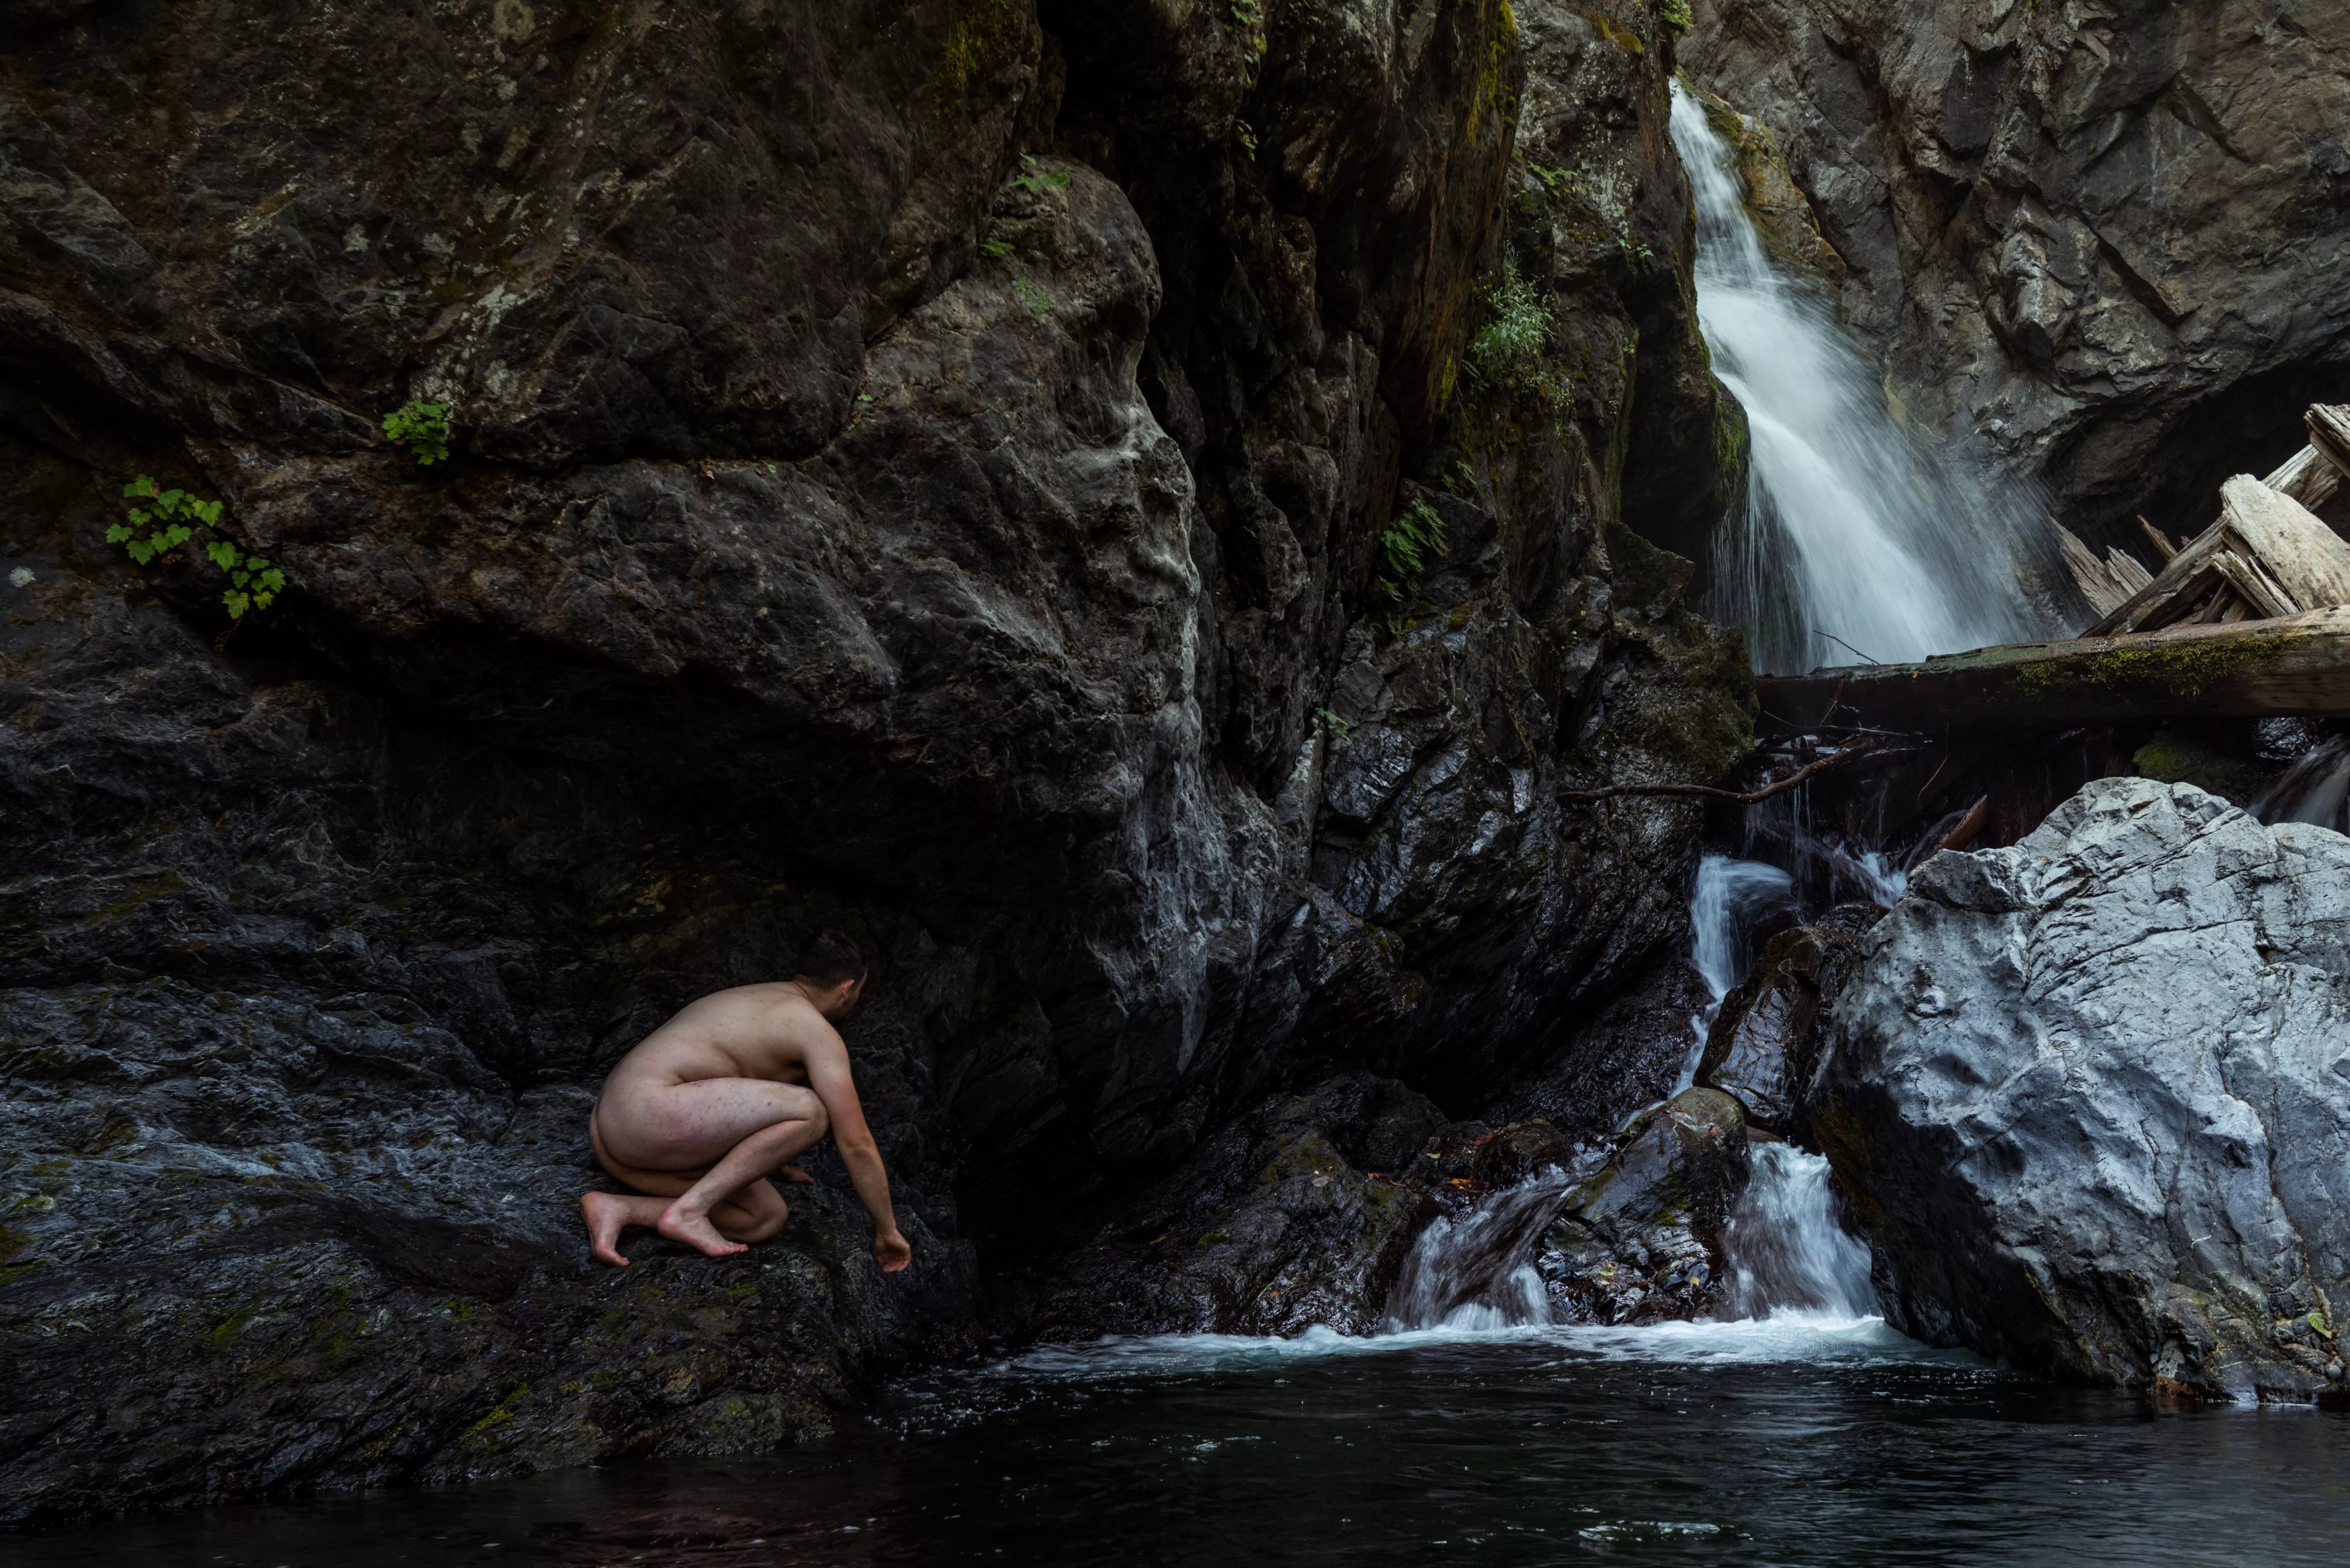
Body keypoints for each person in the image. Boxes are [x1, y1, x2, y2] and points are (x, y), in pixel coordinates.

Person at [580, 932, 912, 1272]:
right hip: (646, 1118)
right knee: (810, 1111)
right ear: (847, 990)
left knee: (764, 1219)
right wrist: (887, 1230)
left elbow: (739, 1099)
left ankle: (620, 1209)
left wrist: (774, 1161)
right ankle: (690, 1211)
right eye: (859, 992)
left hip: (614, 1130)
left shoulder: (755, 995)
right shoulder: (814, 1031)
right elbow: (857, 1143)